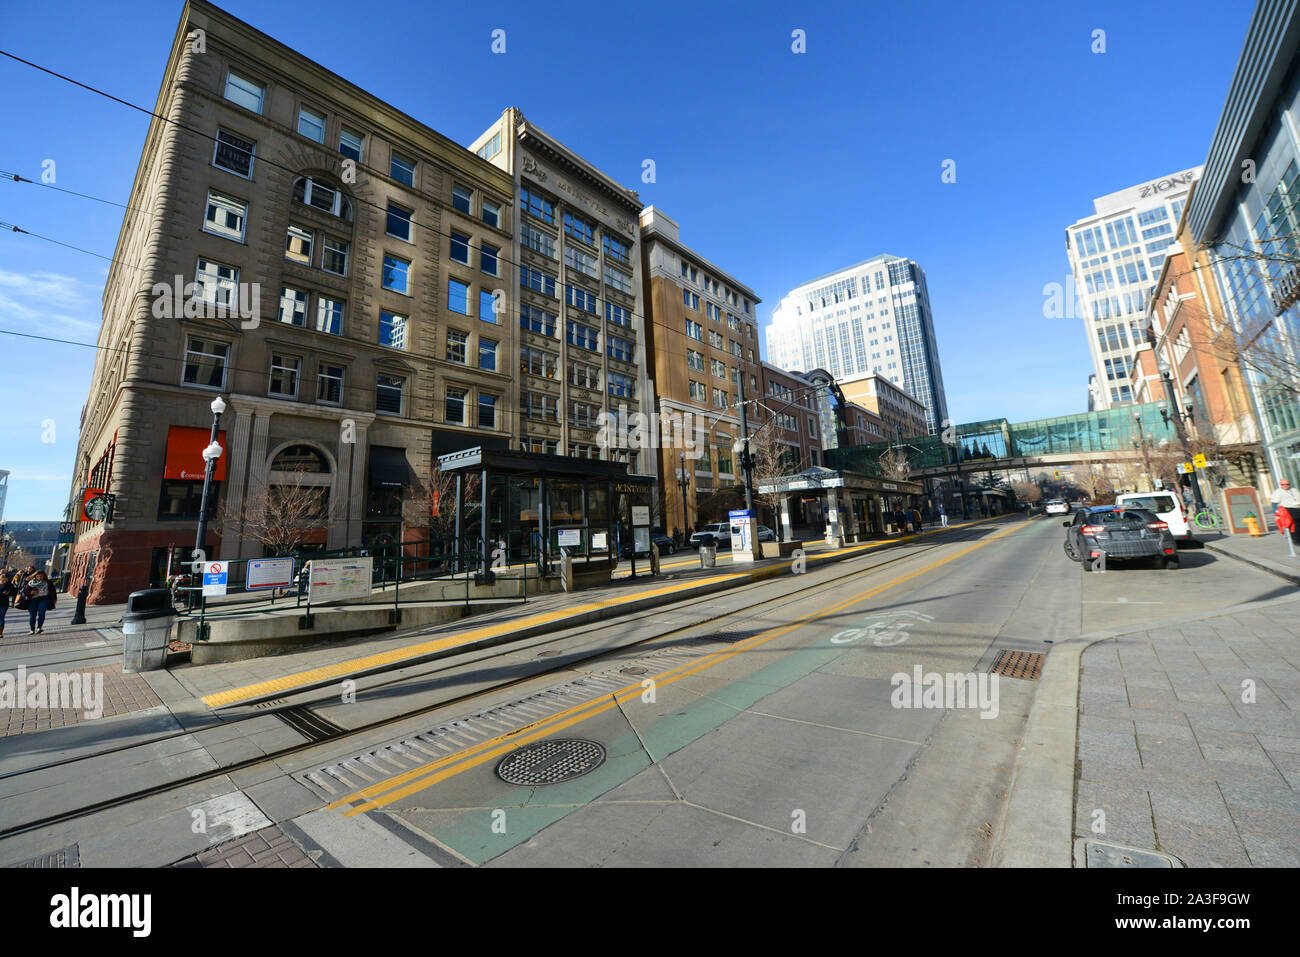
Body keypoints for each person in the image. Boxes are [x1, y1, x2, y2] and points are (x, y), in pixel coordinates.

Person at [22, 570, 55, 635]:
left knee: (41, 612)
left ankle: (39, 628)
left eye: (41, 576)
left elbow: (53, 591)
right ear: (35, 576)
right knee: (32, 615)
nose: (39, 577)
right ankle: (32, 630)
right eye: (38, 576)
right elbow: (25, 592)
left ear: (43, 576)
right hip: (32, 600)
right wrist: (31, 593)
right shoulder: (30, 583)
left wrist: (53, 599)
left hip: (43, 599)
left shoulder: (47, 583)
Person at [1271, 478, 1300, 543]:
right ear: (1280, 485)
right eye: (1283, 484)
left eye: (1287, 484)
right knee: (1294, 525)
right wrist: (1276, 514)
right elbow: (1274, 504)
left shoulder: (1294, 490)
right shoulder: (1277, 492)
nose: (1285, 486)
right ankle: (1296, 540)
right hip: (1288, 509)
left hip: (1298, 508)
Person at [0, 569, 16, 639]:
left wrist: (12, 602)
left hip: (4, 604)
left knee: (1, 617)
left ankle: (0, 632)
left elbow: (13, 593)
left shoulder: (8, 585)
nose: (3, 581)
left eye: (4, 580)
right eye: (2, 580)